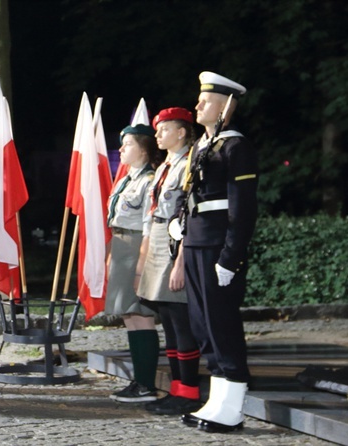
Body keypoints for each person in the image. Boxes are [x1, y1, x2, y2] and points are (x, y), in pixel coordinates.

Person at [179, 72, 258, 433]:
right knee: (202, 324)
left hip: (216, 247)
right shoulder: (201, 146)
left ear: (225, 105)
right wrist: (179, 226)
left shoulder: (235, 147)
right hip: (195, 242)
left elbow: (242, 209)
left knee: (222, 323)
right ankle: (218, 400)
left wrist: (231, 256)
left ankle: (234, 406)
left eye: (205, 101)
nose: (198, 105)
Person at [135, 107, 202, 416]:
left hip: (178, 243)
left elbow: (191, 214)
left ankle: (189, 391)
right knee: (169, 321)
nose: (158, 134)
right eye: (158, 130)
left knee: (180, 317)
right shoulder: (164, 167)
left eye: (164, 129)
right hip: (161, 238)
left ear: (182, 132)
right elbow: (152, 214)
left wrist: (180, 262)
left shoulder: (191, 163)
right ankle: (177, 388)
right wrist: (145, 254)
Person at [104, 123, 164, 403]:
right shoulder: (127, 178)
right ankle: (139, 380)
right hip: (121, 247)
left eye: (127, 144)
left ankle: (146, 384)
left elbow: (148, 223)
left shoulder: (149, 180)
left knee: (140, 315)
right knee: (129, 316)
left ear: (143, 148)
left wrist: (141, 263)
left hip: (136, 248)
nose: (121, 149)